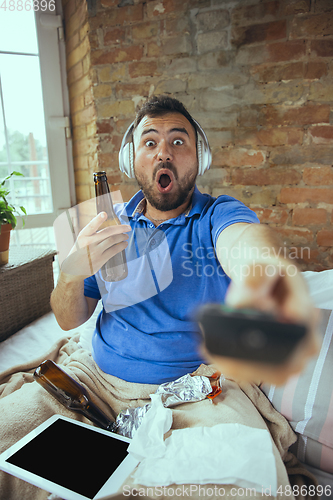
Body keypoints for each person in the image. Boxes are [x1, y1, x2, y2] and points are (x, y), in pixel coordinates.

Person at [0, 95, 319, 500]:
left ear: (198, 158)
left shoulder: (218, 215)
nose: (163, 153)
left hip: (196, 395)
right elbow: (67, 318)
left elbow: (245, 244)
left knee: (239, 485)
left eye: (178, 141)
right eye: (150, 142)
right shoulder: (107, 226)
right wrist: (70, 272)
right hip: (90, 383)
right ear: (133, 158)